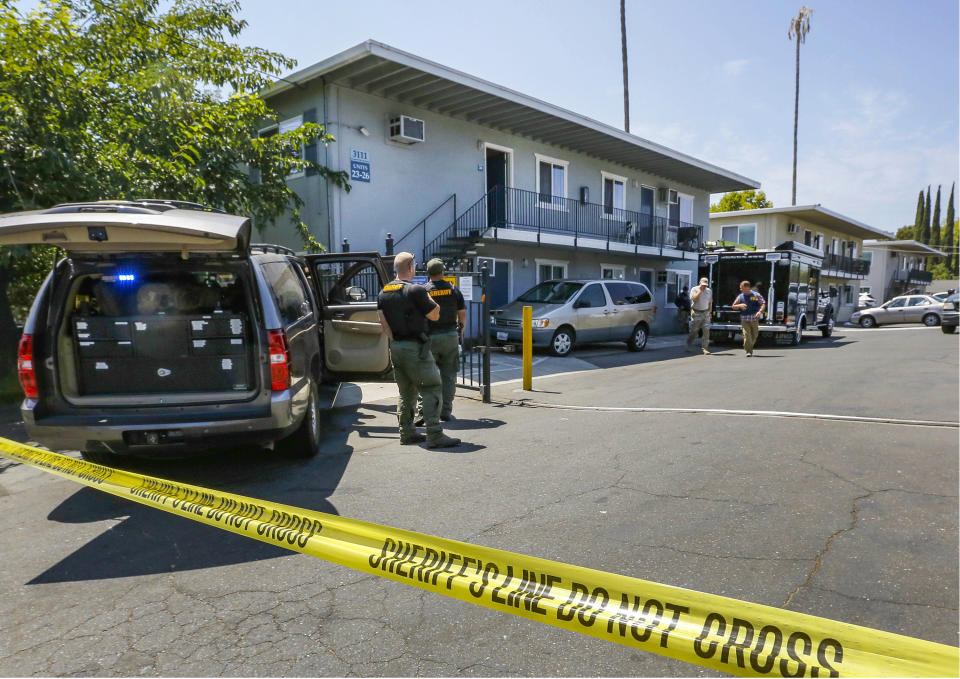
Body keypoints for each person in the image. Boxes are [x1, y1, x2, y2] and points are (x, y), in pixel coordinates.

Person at [377, 252, 461, 448]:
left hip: (396, 346)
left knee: (406, 393)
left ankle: (406, 433)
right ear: (411, 267)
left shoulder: (384, 292)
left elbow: (383, 323)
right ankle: (435, 434)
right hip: (416, 347)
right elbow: (434, 315)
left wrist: (395, 341)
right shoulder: (415, 290)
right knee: (431, 387)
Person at [423, 258, 466, 421]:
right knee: (449, 376)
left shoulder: (424, 291)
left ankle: (430, 411)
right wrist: (459, 332)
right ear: (443, 272)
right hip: (450, 336)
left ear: (428, 272)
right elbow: (462, 316)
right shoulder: (454, 290)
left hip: (430, 338)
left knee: (428, 376)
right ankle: (446, 411)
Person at [731, 280, 766, 357]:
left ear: (747, 287)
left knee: (755, 335)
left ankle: (747, 345)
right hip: (744, 319)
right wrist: (740, 305)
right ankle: (748, 351)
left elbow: (763, 303)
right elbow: (733, 306)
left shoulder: (756, 295)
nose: (740, 289)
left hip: (754, 319)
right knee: (747, 335)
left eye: (742, 288)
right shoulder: (740, 296)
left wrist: (760, 311)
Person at [686, 277, 713, 354]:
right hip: (696, 312)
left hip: (705, 313)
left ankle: (705, 348)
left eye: (705, 285)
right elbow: (694, 299)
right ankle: (688, 343)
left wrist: (709, 312)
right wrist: (700, 291)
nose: (704, 286)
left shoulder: (709, 291)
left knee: (706, 330)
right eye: (703, 285)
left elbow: (710, 302)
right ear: (699, 283)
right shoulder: (694, 289)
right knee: (694, 331)